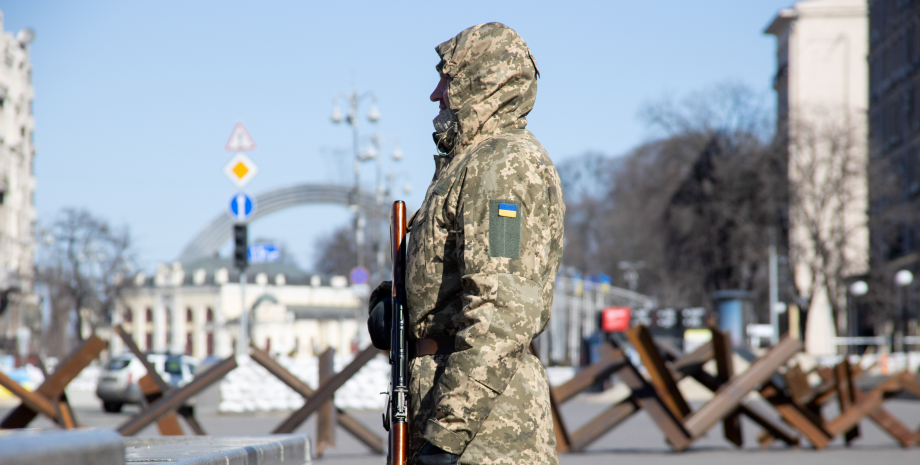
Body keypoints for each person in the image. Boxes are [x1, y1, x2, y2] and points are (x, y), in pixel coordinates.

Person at [369, 22, 564, 465]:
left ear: (482, 82)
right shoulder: (468, 165)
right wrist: (397, 308)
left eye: (448, 79)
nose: (436, 94)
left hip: (484, 438)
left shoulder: (503, 166)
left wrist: (446, 439)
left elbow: (500, 312)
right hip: (446, 414)